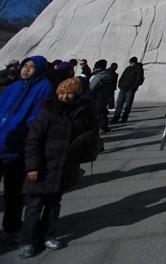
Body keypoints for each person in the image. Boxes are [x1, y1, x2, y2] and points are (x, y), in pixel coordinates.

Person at [18, 77, 98, 257]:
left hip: (64, 165)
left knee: (54, 204)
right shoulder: (47, 112)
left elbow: (93, 129)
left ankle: (48, 235)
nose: (65, 97)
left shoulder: (82, 111)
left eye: (70, 93)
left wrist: (83, 139)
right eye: (62, 93)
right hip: (43, 165)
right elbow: (33, 141)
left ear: (77, 94)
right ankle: (27, 240)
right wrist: (32, 167)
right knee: (34, 205)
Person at [0, 56, 53, 244]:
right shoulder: (12, 87)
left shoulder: (44, 87)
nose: (26, 70)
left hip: (19, 148)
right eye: (25, 66)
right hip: (1, 142)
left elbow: (38, 116)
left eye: (31, 67)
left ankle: (12, 227)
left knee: (13, 193)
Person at [111, 56, 144, 123]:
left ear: (135, 63)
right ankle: (116, 118)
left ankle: (124, 119)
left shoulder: (138, 69)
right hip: (123, 88)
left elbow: (138, 80)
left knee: (128, 105)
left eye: (131, 63)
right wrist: (120, 85)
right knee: (119, 104)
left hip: (130, 89)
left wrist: (133, 88)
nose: (130, 64)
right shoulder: (128, 68)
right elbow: (122, 77)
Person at [89, 60, 114, 133]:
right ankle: (103, 126)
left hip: (96, 96)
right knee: (102, 111)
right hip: (104, 96)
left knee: (97, 111)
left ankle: (100, 127)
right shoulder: (107, 75)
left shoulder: (97, 75)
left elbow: (92, 87)